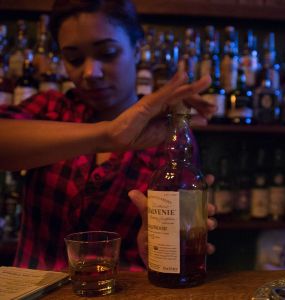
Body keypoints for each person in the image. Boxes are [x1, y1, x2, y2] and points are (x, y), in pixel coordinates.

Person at [0, 0, 217, 271]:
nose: (91, 73)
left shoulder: (166, 134)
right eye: (75, 59)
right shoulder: (50, 108)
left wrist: (158, 243)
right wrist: (109, 135)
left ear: (137, 50)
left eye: (108, 53)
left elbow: (174, 234)